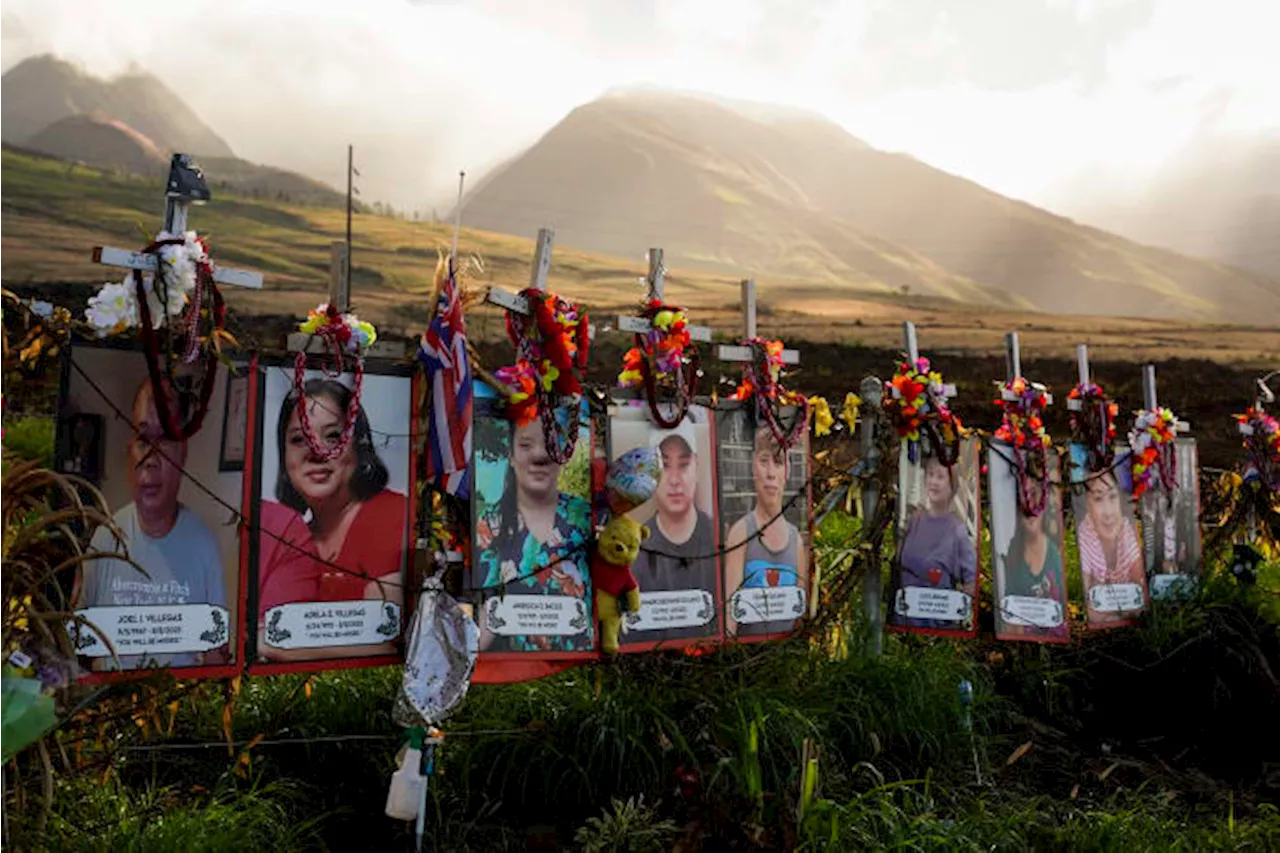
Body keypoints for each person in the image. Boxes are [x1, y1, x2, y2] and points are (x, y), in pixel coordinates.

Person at [74, 378, 226, 670]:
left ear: (183, 452)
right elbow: (79, 649)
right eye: (143, 440)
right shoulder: (105, 538)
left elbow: (216, 659)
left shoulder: (203, 547)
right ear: (131, 448)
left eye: (166, 440)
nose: (151, 460)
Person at [257, 377, 407, 661]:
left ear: (359, 447)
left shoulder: (388, 514)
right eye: (299, 439)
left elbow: (386, 641)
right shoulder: (294, 535)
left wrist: (275, 647)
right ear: (284, 455)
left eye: (333, 436)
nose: (316, 451)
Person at [475, 416, 592, 653]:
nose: (539, 457)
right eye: (526, 445)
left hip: (583, 664)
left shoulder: (585, 517)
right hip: (516, 672)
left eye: (549, 445)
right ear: (511, 455)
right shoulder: (489, 524)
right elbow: (485, 608)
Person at [629, 417, 718, 642]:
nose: (675, 480)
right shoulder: (634, 551)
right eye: (664, 465)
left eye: (684, 464)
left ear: (697, 466)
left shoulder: (720, 538)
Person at [723, 427, 807, 637]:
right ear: (753, 468)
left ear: (786, 472)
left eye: (778, 463)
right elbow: (729, 614)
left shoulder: (795, 539)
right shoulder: (740, 532)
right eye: (763, 461)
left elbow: (800, 613)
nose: (770, 473)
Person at [890, 453, 978, 630]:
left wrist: (951, 608)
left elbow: (971, 583)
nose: (933, 482)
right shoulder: (914, 520)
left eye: (940, 477)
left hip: (936, 629)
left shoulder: (956, 529)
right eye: (930, 474)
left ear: (951, 485)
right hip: (902, 623)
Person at [1076, 468, 1146, 624]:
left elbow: (1140, 600)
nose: (1108, 512)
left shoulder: (1126, 530)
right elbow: (1092, 611)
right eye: (1099, 499)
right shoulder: (1085, 534)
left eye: (1113, 497)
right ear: (1087, 504)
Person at [999, 489, 1067, 638]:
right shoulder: (1013, 549)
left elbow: (1062, 604)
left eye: (1035, 509)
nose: (1030, 515)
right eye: (1025, 510)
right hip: (1021, 635)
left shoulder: (1054, 552)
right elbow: (1008, 603)